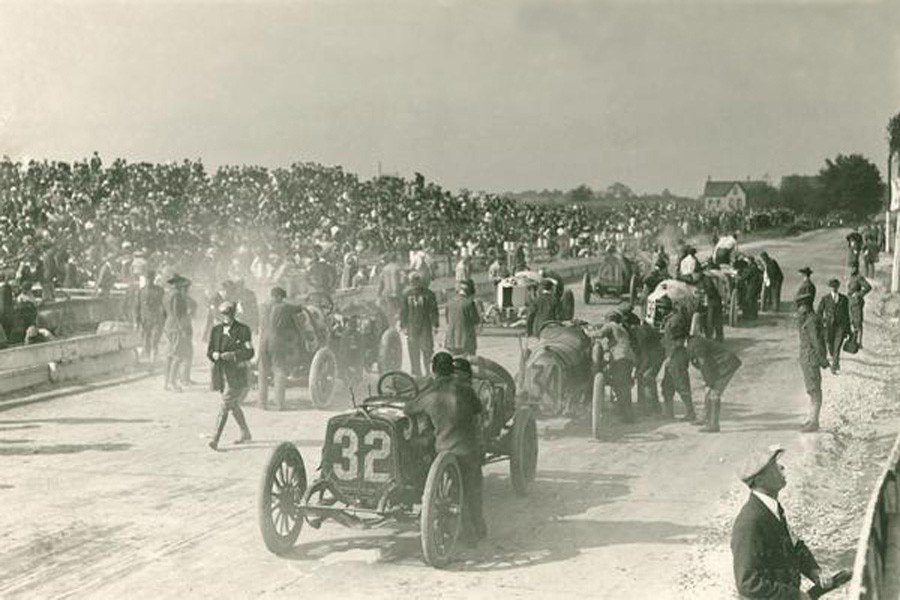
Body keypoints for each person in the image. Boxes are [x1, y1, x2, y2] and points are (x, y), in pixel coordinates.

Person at [731, 445, 845, 599]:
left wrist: (815, 573)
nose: (782, 467)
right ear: (759, 480)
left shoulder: (772, 509)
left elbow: (794, 546)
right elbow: (748, 583)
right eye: (773, 466)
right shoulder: (750, 522)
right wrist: (794, 596)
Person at [404, 354, 486, 545]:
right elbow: (478, 409)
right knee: (473, 489)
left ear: (433, 370)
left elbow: (408, 409)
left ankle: (456, 532)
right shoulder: (466, 390)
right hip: (468, 448)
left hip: (443, 449)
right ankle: (478, 530)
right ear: (452, 369)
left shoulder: (430, 393)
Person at [207, 301, 254, 450]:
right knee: (232, 405)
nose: (226, 317)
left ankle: (215, 439)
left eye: (229, 314)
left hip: (237, 374)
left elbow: (250, 352)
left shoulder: (243, 330)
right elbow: (209, 351)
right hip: (221, 374)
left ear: (234, 314)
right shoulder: (216, 330)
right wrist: (214, 355)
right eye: (224, 315)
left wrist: (233, 355)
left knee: (225, 405)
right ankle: (245, 433)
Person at [257, 287, 306, 410]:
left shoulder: (263, 306)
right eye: (282, 297)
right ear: (278, 296)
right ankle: (280, 404)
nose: (283, 299)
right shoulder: (284, 307)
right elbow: (300, 308)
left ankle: (262, 403)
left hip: (263, 339)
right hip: (276, 339)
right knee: (279, 370)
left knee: (263, 371)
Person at [686, 330, 742, 433]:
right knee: (708, 390)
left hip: (727, 365)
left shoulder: (696, 346)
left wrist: (709, 381)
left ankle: (714, 425)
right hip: (720, 365)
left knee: (714, 393)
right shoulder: (693, 342)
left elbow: (704, 364)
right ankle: (705, 418)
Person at [595, 311, 636, 423]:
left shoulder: (611, 325)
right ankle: (627, 415)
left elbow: (599, 334)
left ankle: (626, 417)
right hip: (628, 358)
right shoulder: (621, 329)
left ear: (609, 319)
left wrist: (586, 332)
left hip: (620, 358)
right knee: (624, 387)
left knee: (621, 387)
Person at [797, 293, 829, 432]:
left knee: (815, 391)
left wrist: (823, 360)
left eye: (800, 306)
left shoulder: (811, 321)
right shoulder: (808, 319)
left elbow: (817, 343)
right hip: (807, 359)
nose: (798, 310)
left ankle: (814, 422)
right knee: (812, 390)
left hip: (811, 359)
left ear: (805, 306)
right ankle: (812, 419)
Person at [660, 297, 695, 421]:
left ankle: (691, 413)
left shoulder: (676, 320)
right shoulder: (670, 319)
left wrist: (670, 357)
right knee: (667, 386)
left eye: (662, 308)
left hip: (677, 357)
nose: (660, 310)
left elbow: (679, 341)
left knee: (682, 385)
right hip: (672, 356)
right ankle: (669, 413)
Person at [400, 272, 439, 377]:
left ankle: (428, 371)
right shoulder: (406, 294)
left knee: (427, 349)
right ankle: (416, 372)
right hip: (411, 325)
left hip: (425, 325)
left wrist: (435, 325)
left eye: (417, 281)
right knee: (413, 349)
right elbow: (403, 311)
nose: (415, 285)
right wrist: (403, 326)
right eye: (413, 282)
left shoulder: (428, 294)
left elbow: (433, 310)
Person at [163, 274, 193, 392]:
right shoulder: (177, 296)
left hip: (168, 325)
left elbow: (165, 312)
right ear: (177, 284)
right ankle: (172, 382)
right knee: (178, 355)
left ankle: (166, 383)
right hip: (176, 327)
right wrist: (182, 328)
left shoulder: (166, 295)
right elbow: (176, 314)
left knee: (170, 355)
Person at [816, 279, 850, 374]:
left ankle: (834, 366)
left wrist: (848, 330)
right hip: (829, 327)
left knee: (837, 347)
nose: (834, 288)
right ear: (830, 287)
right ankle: (835, 359)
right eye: (832, 287)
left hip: (840, 327)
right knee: (830, 346)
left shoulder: (844, 299)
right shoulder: (825, 299)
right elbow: (819, 312)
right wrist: (822, 322)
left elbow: (847, 315)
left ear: (838, 287)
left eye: (836, 286)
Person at [135, 269, 165, 366]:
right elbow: (137, 306)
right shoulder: (141, 291)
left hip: (156, 318)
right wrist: (137, 321)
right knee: (146, 340)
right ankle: (148, 360)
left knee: (154, 340)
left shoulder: (159, 290)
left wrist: (164, 318)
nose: (149, 280)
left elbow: (163, 305)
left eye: (151, 278)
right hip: (145, 320)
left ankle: (152, 361)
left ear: (153, 278)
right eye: (147, 278)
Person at [444, 280, 480, 356]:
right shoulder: (470, 304)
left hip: (451, 340)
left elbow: (447, 320)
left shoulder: (449, 302)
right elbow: (476, 322)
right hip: (466, 342)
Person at [847, 266, 872, 348]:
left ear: (856, 268)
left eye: (853, 267)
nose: (851, 269)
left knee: (858, 322)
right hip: (850, 302)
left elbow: (868, 287)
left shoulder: (859, 277)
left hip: (857, 303)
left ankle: (859, 342)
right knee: (852, 321)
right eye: (850, 267)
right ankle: (853, 340)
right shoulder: (851, 277)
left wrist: (859, 294)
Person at [377, 252, 405, 325]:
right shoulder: (398, 268)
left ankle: (392, 326)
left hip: (387, 293)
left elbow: (381, 282)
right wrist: (402, 288)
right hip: (397, 292)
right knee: (399, 311)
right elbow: (403, 280)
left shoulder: (384, 269)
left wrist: (379, 293)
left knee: (391, 311)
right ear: (395, 259)